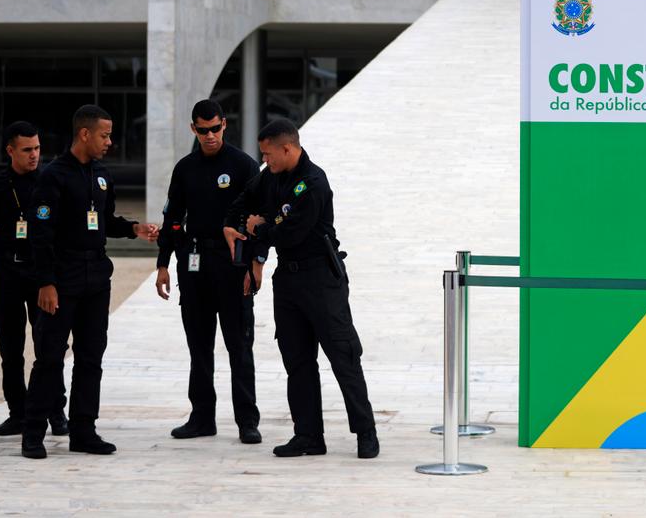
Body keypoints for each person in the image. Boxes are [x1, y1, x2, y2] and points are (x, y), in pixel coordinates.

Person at [223, 119, 379, 459]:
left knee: (343, 357)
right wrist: (232, 226)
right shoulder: (270, 176)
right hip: (288, 281)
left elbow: (290, 233)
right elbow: (243, 202)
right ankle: (308, 435)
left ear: (287, 148)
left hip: (321, 279)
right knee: (297, 360)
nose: (264, 161)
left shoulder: (313, 182)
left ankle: (365, 432)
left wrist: (260, 227)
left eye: (268, 154)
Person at [20, 105, 158, 459]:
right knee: (50, 357)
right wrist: (46, 283)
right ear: (84, 134)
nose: (109, 142)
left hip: (96, 277)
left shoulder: (102, 175)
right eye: (104, 135)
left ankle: (84, 431)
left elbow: (105, 220)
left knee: (91, 357)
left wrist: (133, 229)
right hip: (62, 278)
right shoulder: (53, 176)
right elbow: (39, 234)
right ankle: (32, 433)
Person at [156, 99, 264, 445]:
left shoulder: (243, 165)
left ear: (224, 124)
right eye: (203, 130)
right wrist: (163, 264)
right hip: (195, 264)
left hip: (232, 265)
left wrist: (255, 264)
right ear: (194, 129)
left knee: (239, 346)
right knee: (199, 346)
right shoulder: (185, 168)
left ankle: (247, 421)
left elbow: (259, 219)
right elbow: (172, 218)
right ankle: (202, 417)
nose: (210, 135)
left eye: (215, 128)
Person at [0, 121, 68, 438]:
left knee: (49, 345)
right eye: (27, 150)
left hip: (42, 274)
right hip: (7, 273)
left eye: (37, 148)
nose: (34, 155)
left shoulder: (51, 181)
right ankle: (18, 413)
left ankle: (56, 411)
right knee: (10, 348)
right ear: (10, 151)